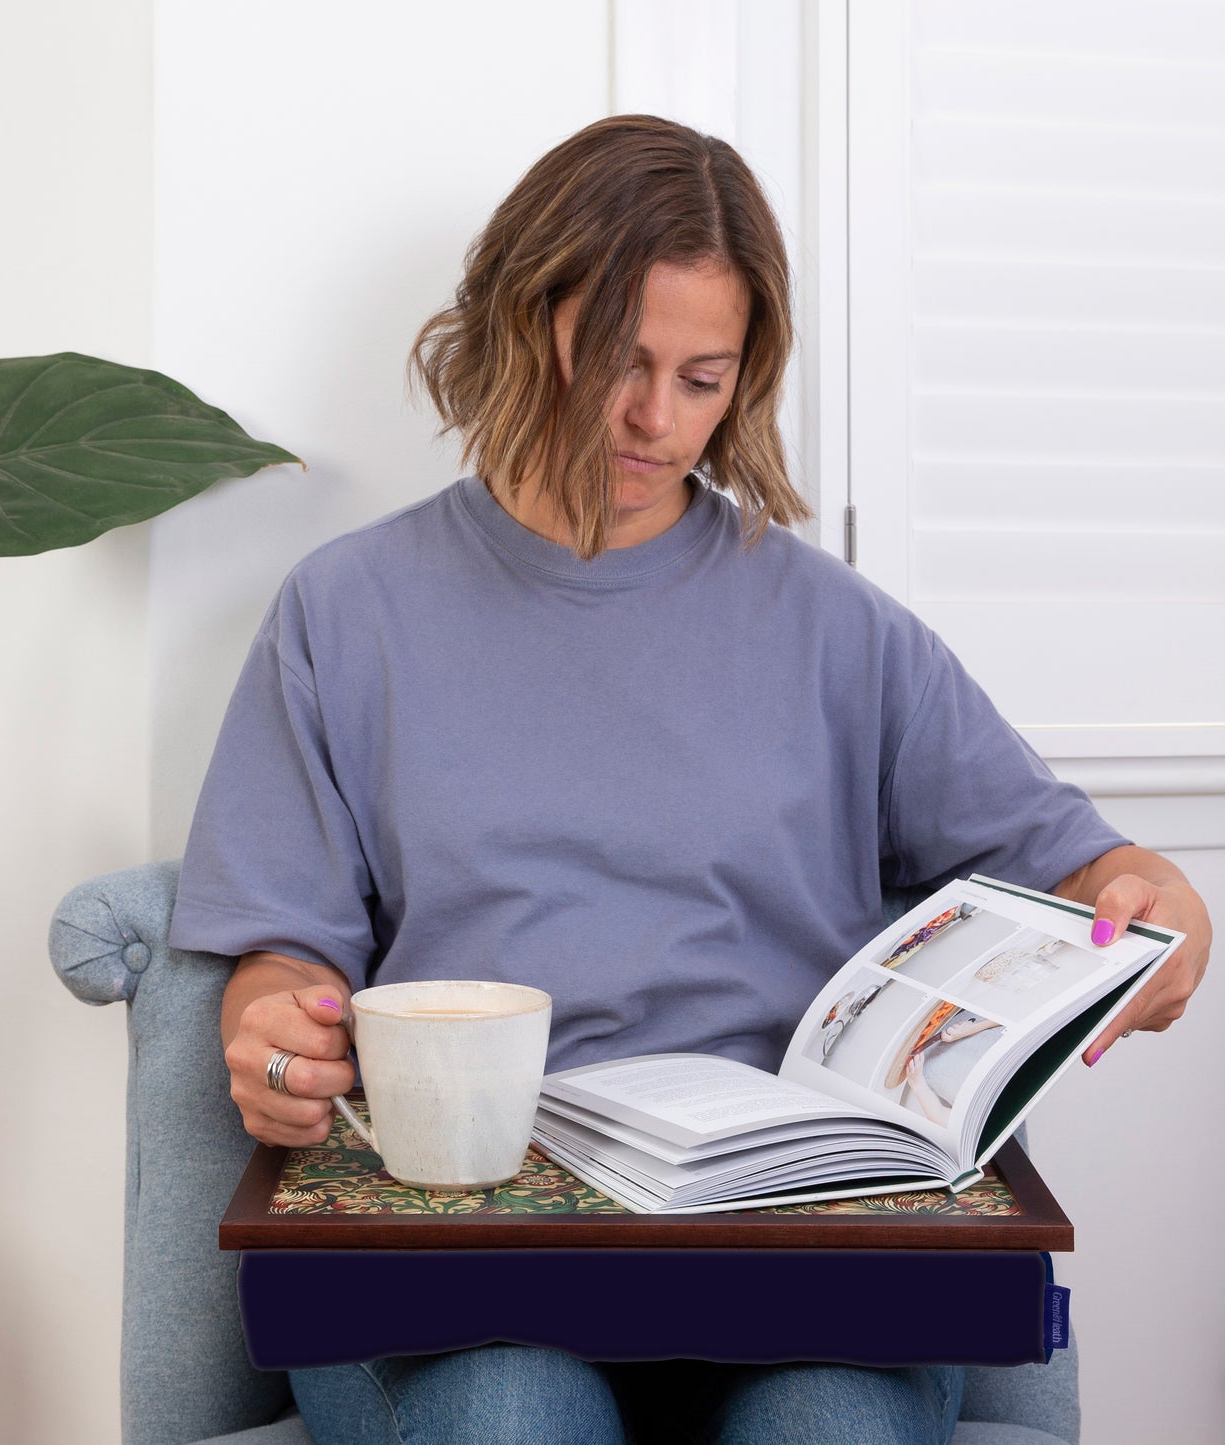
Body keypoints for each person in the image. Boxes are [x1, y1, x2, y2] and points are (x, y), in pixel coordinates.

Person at [170, 115, 1212, 1445]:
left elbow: (1081, 871)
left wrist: (1152, 902)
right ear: (516, 313)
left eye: (701, 376)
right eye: (615, 361)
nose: (653, 419)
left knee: (826, 1426)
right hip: (462, 1251)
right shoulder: (345, 609)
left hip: (796, 1245)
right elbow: (276, 955)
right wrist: (272, 1028)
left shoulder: (838, 631)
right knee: (508, 1411)